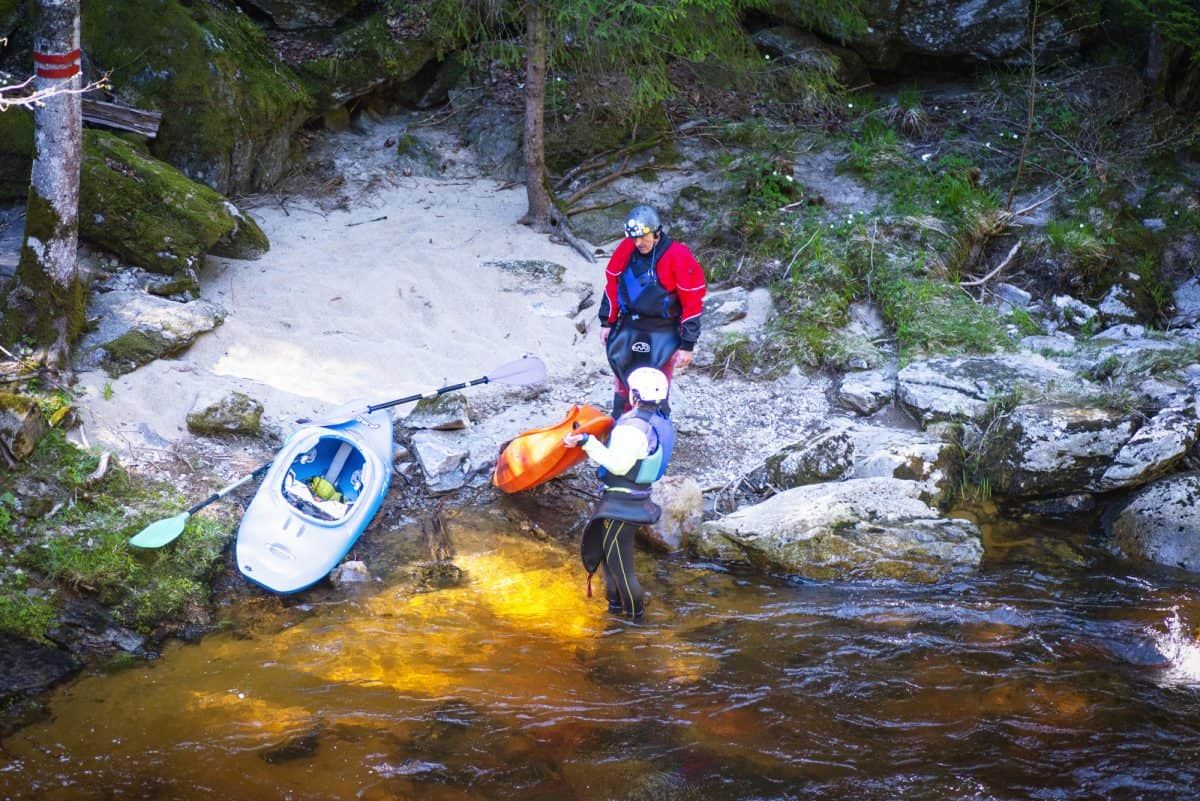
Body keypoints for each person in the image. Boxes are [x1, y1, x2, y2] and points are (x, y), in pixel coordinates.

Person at [564, 367, 675, 620]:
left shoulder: (634, 428)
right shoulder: (659, 420)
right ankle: (614, 611)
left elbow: (618, 465)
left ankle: (635, 623)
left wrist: (585, 442)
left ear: (635, 395)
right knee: (608, 559)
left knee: (622, 568)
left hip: (622, 506)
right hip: (634, 499)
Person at [599, 204, 706, 418]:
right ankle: (620, 420)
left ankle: (656, 426)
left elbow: (692, 301)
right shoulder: (626, 249)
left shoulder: (678, 255)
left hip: (663, 330)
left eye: (643, 237)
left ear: (656, 232)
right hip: (629, 324)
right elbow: (612, 283)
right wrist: (606, 322)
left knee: (656, 382)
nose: (638, 243)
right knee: (623, 376)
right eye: (634, 238)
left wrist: (687, 345)